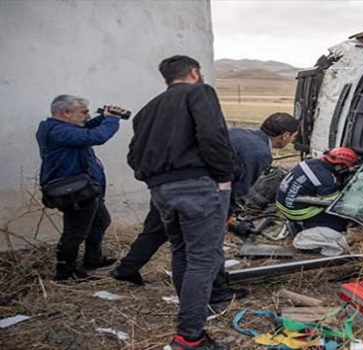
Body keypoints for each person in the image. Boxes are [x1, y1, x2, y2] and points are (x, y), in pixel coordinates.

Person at [110, 113, 299, 295]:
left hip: (170, 185)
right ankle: (217, 290)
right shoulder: (259, 152)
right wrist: (226, 215)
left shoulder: (240, 133)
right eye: (293, 137)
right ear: (285, 135)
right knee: (209, 244)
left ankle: (126, 268)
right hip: (200, 196)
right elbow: (238, 187)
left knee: (155, 229)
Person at [127, 55, 236, 350]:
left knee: (182, 252)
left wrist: (154, 178)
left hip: (161, 190)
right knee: (203, 259)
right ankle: (190, 336)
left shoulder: (147, 109)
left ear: (166, 78)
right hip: (198, 187)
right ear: (194, 72)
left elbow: (133, 155)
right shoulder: (200, 92)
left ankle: (192, 317)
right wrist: (224, 176)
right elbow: (213, 135)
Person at [36, 95, 122, 281]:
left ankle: (93, 259)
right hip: (74, 192)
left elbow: (87, 128)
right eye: (83, 112)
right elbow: (97, 136)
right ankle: (65, 273)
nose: (88, 116)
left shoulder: (62, 128)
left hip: (86, 189)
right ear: (66, 113)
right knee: (75, 233)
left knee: (100, 220)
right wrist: (112, 119)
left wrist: (103, 117)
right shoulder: (59, 132)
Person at [275, 147, 357, 233]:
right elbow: (335, 204)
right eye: (346, 168)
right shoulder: (326, 178)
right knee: (340, 224)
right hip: (296, 212)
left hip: (282, 203)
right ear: (339, 166)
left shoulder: (311, 162)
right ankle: (303, 226)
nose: (347, 170)